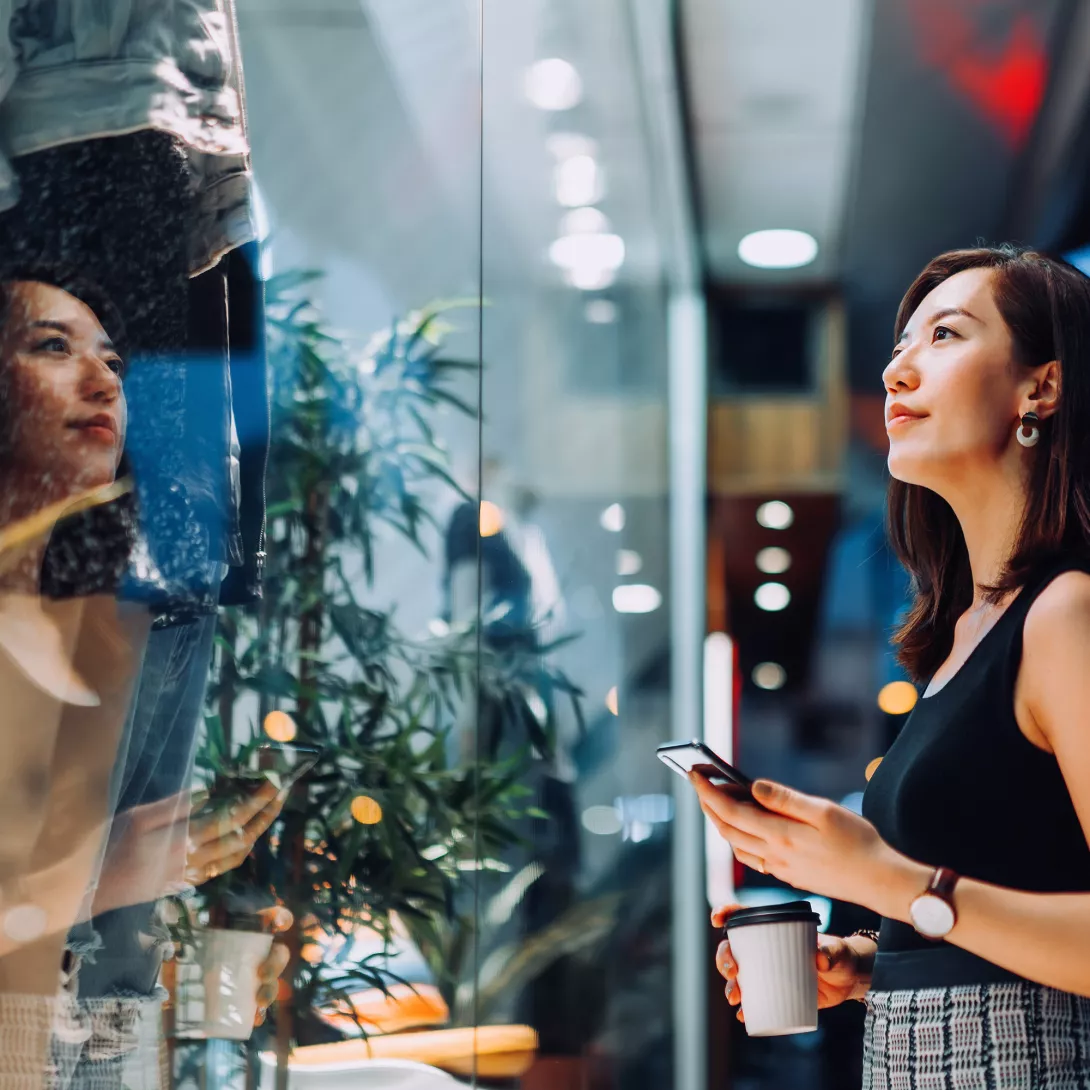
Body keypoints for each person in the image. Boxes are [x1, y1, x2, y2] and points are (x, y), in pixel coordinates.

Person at [693, 245, 1090, 1085]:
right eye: (898, 347)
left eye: (943, 336)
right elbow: (1005, 921)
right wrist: (872, 966)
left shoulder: (1066, 614)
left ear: (1041, 387)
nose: (897, 373)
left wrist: (890, 880)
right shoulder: (966, 635)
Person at [0, 273, 283, 1089]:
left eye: (114, 360)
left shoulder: (115, 628)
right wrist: (106, 877)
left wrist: (181, 942)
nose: (105, 383)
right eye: (54, 348)